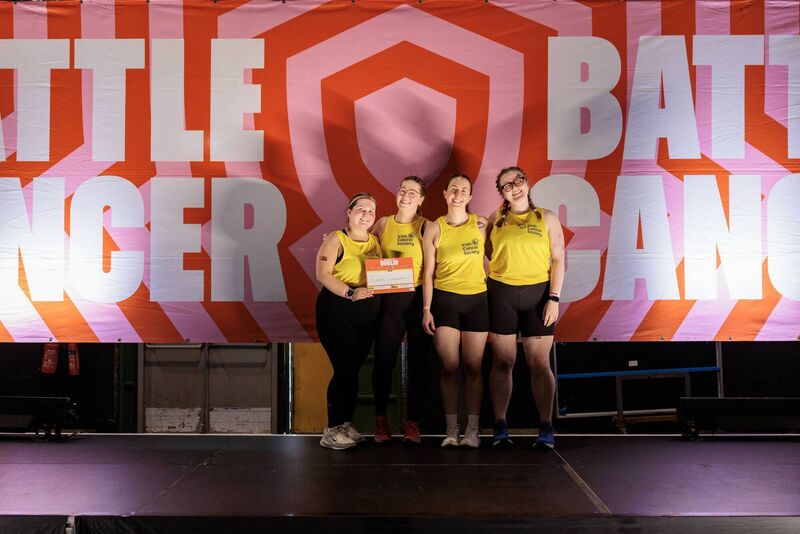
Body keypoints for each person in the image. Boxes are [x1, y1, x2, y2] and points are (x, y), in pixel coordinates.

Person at [485, 166, 565, 450]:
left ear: (527, 183)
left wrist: (554, 298)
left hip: (538, 295)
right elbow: (488, 253)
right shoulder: (495, 219)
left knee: (539, 363)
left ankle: (545, 427)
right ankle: (500, 425)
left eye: (518, 181)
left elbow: (558, 260)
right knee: (503, 362)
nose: (514, 187)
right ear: (502, 193)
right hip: (501, 294)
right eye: (507, 185)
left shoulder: (547, 218)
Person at [422, 174, 489, 448]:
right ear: (445, 194)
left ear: (470, 196)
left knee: (473, 366)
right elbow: (428, 273)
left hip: (477, 300)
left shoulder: (482, 224)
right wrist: (427, 309)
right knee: (449, 366)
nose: (458, 194)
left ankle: (472, 430)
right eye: (453, 189)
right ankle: (452, 429)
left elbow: (505, 250)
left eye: (463, 190)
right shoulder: (434, 228)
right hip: (445, 300)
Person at [316, 193, 382, 450]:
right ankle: (331, 430)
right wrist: (351, 293)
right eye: (361, 209)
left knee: (353, 370)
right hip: (337, 310)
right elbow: (323, 274)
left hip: (366, 315)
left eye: (371, 211)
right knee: (343, 369)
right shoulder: (335, 239)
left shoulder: (375, 241)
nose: (366, 214)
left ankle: (345, 423)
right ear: (349, 211)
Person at [371, 177, 432, 445]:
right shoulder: (383, 223)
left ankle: (413, 423)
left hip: (417, 299)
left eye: (412, 193)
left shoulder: (427, 226)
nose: (406, 196)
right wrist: (338, 241)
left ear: (421, 199)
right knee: (384, 361)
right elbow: (363, 248)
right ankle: (381, 420)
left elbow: (434, 267)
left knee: (419, 363)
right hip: (389, 302)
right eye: (402, 190)